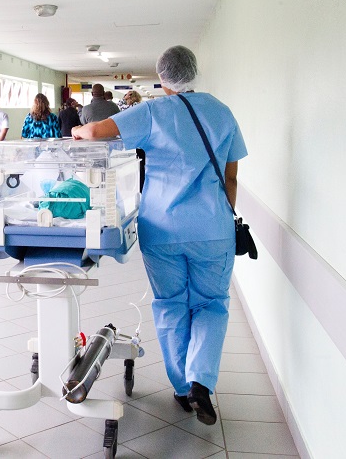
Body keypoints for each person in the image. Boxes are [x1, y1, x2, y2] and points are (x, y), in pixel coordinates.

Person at [72, 45, 248, 426]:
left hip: (163, 228)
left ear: (162, 77)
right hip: (213, 229)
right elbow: (231, 178)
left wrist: (76, 127)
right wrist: (220, 215)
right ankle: (201, 380)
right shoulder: (222, 111)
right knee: (211, 304)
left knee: (170, 304)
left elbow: (96, 132)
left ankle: (183, 390)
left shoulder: (152, 111)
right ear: (194, 72)